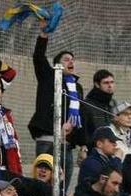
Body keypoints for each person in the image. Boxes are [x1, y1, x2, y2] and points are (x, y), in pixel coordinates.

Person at [28, 18, 85, 165]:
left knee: (64, 184)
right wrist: (44, 33)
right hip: (47, 139)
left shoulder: (77, 88)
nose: (71, 62)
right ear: (57, 64)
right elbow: (38, 57)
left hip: (66, 143)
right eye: (66, 59)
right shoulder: (47, 76)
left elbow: (79, 112)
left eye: (72, 59)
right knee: (46, 183)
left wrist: (71, 126)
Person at [81, 69, 116, 142]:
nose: (110, 86)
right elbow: (84, 131)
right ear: (97, 84)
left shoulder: (113, 103)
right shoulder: (87, 104)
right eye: (106, 83)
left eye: (112, 82)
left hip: (112, 145)